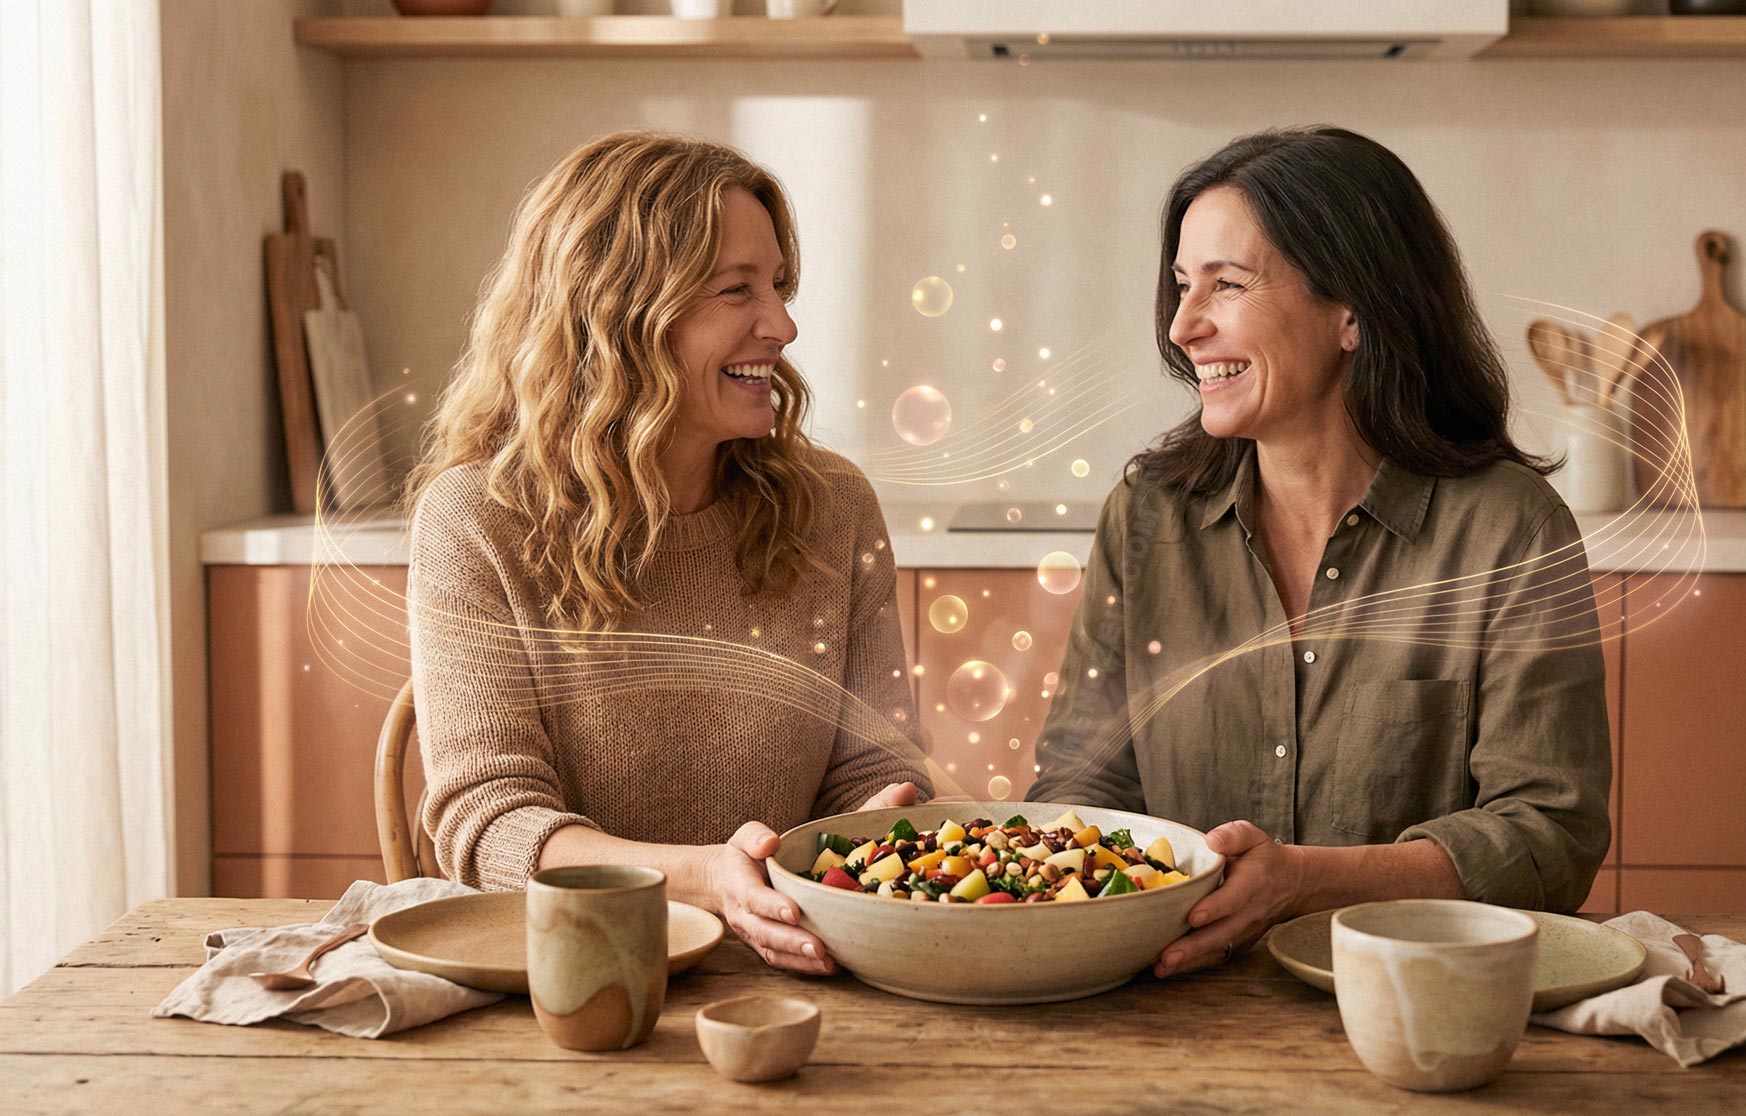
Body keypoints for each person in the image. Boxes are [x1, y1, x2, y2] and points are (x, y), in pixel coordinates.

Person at [1027, 127, 1612, 977]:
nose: (1185, 326)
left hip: (1418, 999)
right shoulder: (1147, 521)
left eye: (1227, 284)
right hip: (1169, 1004)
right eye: (1184, 287)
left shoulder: (1509, 532)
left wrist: (1303, 883)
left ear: (1353, 312)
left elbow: (1550, 835)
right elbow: (1078, 793)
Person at [404, 131, 932, 975]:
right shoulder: (477, 519)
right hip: (577, 976)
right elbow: (491, 820)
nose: (784, 325)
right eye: (738, 291)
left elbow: (872, 769)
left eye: (780, 287)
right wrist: (703, 878)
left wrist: (883, 836)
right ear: (619, 313)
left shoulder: (834, 507)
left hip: (798, 970)